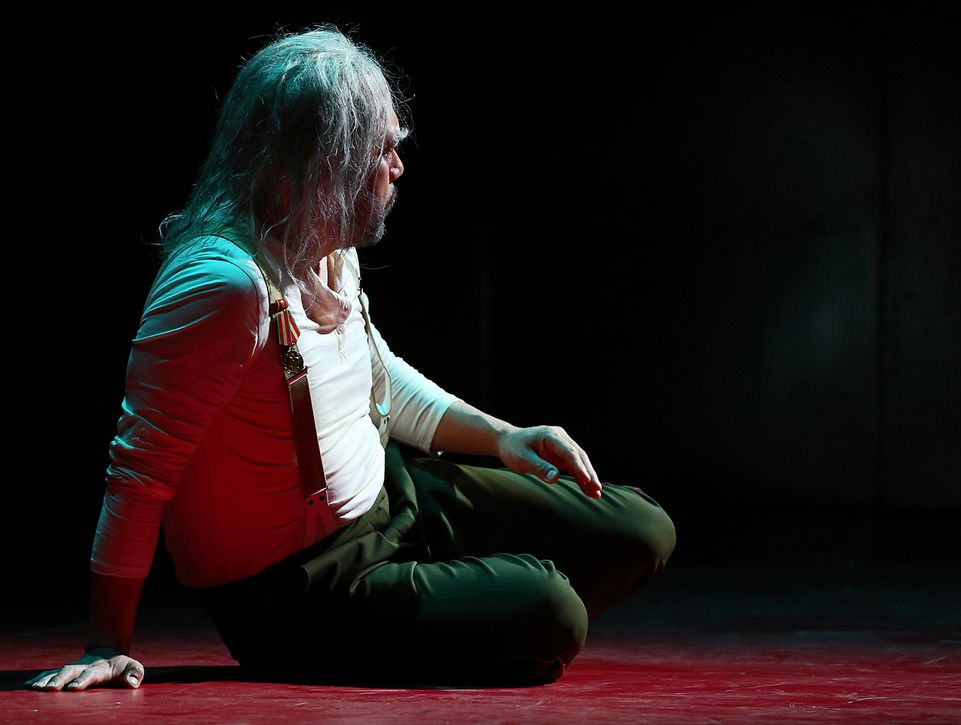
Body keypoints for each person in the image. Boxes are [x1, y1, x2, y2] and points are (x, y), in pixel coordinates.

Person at [25, 24, 676, 691]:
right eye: (382, 149)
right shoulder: (225, 286)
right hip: (301, 583)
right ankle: (434, 622)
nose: (397, 167)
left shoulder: (327, 242)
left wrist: (503, 437)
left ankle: (456, 613)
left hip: (393, 494)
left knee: (640, 529)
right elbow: (140, 471)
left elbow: (373, 372)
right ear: (324, 164)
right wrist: (106, 642)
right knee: (552, 611)